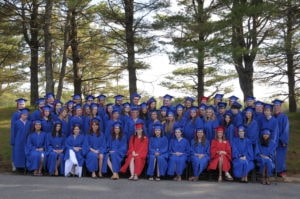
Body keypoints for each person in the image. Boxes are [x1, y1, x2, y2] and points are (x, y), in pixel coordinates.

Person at [272, 99, 289, 177]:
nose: (276, 107)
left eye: (278, 106)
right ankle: (274, 170)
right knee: (273, 156)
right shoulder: (272, 117)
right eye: (275, 106)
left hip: (280, 141)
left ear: (280, 107)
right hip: (273, 140)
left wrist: (284, 140)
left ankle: (281, 171)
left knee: (280, 156)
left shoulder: (284, 117)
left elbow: (286, 129)